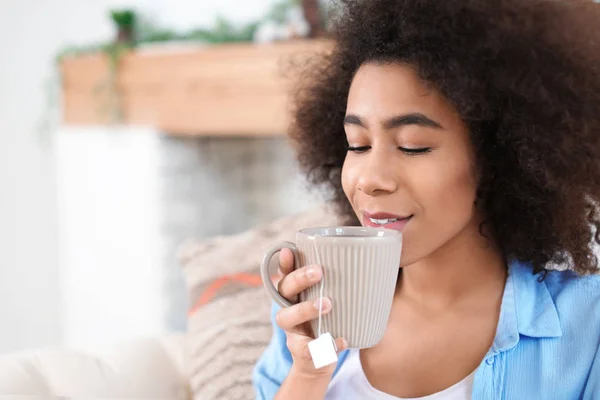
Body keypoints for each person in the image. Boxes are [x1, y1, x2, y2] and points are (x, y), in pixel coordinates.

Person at [252, 0, 600, 398]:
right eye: (358, 144)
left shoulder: (588, 327)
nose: (370, 180)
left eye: (413, 146)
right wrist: (308, 375)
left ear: (499, 158)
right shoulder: (308, 316)